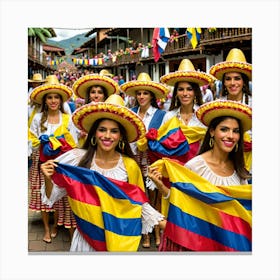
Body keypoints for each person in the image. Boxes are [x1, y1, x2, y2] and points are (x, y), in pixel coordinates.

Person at [40, 94, 165, 252]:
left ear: (120, 137)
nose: (107, 136)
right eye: (102, 130)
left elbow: (138, 203)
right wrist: (48, 177)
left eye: (114, 131)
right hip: (86, 240)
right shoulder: (77, 159)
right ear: (93, 134)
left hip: (117, 239)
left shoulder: (130, 166)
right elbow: (52, 196)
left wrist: (166, 225)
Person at [148, 99, 252, 251]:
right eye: (224, 129)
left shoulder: (240, 171)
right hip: (201, 245)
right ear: (212, 132)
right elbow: (185, 206)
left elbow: (244, 213)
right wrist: (163, 188)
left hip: (230, 245)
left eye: (235, 131)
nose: (230, 136)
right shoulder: (195, 166)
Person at [120, 72, 169, 248]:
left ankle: (156, 231)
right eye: (139, 93)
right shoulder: (129, 113)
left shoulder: (161, 115)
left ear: (152, 95)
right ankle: (145, 233)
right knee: (138, 196)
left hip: (152, 160)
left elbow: (164, 140)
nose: (141, 96)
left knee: (154, 197)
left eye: (145, 93)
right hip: (132, 160)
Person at [28, 77, 78, 243]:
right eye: (49, 97)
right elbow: (31, 139)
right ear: (45, 100)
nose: (53, 101)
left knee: (61, 196)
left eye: (56, 97)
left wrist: (60, 144)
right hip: (42, 162)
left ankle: (57, 224)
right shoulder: (37, 118)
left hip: (62, 161)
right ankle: (47, 229)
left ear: (61, 100)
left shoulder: (67, 118)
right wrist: (42, 143)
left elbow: (73, 142)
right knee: (42, 195)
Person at [157, 58, 216, 163]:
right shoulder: (169, 116)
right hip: (176, 170)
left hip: (201, 167)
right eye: (181, 89)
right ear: (176, 93)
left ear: (195, 92)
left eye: (189, 89)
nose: (185, 93)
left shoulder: (204, 116)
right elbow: (162, 146)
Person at [209, 48, 252, 175]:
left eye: (237, 78)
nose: (232, 83)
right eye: (228, 79)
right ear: (224, 82)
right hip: (223, 164)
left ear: (244, 81)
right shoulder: (217, 105)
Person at [72, 73, 120, 147]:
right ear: (88, 95)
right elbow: (73, 138)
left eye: (100, 92)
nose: (96, 96)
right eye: (93, 92)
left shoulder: (112, 113)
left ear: (105, 95)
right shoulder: (79, 115)